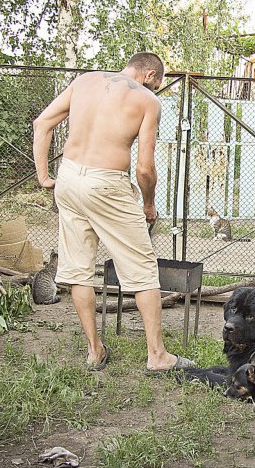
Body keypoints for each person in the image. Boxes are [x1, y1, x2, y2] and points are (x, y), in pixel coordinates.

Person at [32, 52, 194, 372]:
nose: (155, 89)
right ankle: (157, 356)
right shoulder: (147, 100)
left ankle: (95, 351)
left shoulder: (85, 81)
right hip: (107, 183)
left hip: (69, 178)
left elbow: (42, 123)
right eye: (157, 84)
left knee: (79, 270)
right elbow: (144, 168)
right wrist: (148, 203)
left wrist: (44, 176)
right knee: (143, 269)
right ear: (150, 75)